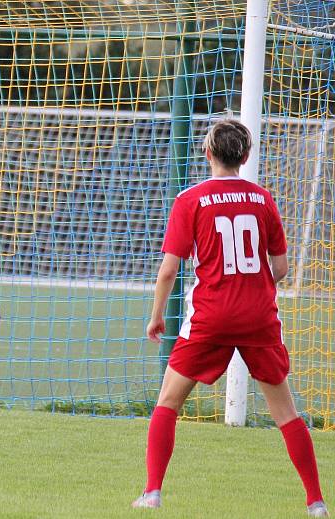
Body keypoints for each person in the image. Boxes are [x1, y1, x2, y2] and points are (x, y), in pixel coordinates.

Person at [132, 120, 328, 517]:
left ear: (208, 153)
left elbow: (169, 270)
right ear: (246, 155)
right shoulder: (263, 199)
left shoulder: (191, 199)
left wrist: (156, 317)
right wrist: (252, 286)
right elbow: (282, 267)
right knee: (286, 413)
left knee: (168, 402)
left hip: (211, 316)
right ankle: (316, 502)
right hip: (259, 318)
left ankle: (152, 493)